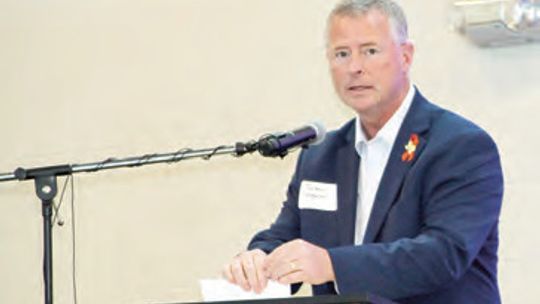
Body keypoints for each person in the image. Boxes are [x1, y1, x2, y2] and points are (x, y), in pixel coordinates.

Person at [222, 0, 504, 303]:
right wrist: (258, 259)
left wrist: (331, 265)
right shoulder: (320, 156)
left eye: (370, 51)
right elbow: (287, 236)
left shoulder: (459, 145)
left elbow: (443, 255)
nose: (354, 67)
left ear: (406, 56)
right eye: (342, 54)